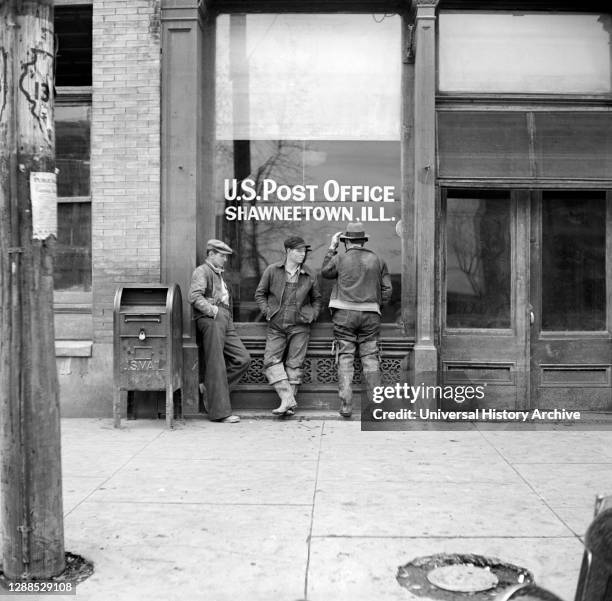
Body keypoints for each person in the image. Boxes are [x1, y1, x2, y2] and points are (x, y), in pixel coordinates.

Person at [321, 222, 392, 418]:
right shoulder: (378, 259)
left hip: (344, 315)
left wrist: (332, 247)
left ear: (347, 242)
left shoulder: (340, 257)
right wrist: (377, 307)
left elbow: (325, 273)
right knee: (370, 360)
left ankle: (346, 405)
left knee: (345, 359)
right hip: (370, 315)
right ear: (362, 240)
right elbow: (387, 290)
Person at [255, 236, 322, 416]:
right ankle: (288, 399)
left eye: (304, 251)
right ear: (288, 251)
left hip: (300, 325)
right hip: (276, 324)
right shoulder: (272, 270)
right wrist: (268, 311)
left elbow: (317, 299)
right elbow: (260, 294)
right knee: (270, 362)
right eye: (298, 251)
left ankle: (288, 406)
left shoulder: (309, 274)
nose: (302, 254)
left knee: (294, 364)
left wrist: (313, 314)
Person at [189, 239, 250, 423]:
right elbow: (194, 296)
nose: (225, 259)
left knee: (243, 359)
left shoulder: (218, 273)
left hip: (224, 318)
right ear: (211, 254)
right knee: (216, 365)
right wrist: (212, 311)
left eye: (226, 256)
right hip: (212, 319)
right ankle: (220, 413)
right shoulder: (202, 271)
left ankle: (210, 388)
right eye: (221, 256)